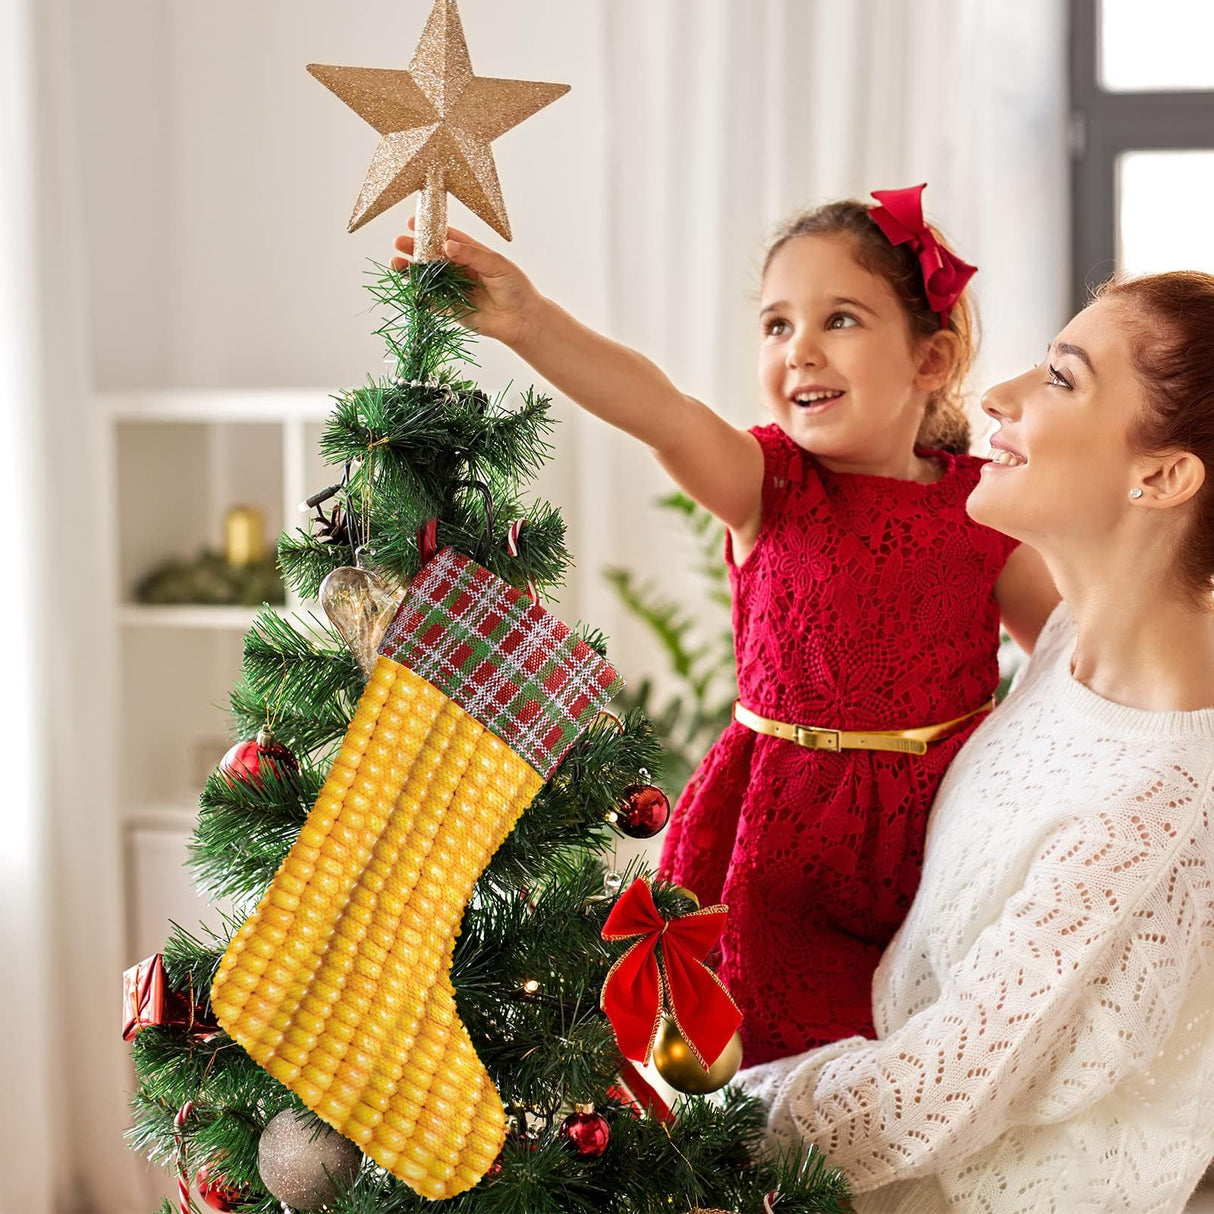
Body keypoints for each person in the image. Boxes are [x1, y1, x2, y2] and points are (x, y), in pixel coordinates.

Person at [391, 185, 1059, 1065]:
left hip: (942, 837)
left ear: (931, 359)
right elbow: (659, 411)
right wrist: (531, 322)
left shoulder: (986, 507)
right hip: (776, 843)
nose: (801, 352)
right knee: (768, 1079)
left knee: (916, 1064)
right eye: (777, 326)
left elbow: (1070, 662)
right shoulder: (767, 483)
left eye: (841, 320)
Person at [733, 271, 1214, 1214]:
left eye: (1063, 380)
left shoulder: (1157, 800)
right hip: (859, 1089)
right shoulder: (1080, 636)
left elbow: (928, 1096)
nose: (997, 395)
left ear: (1161, 476)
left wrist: (692, 1115)